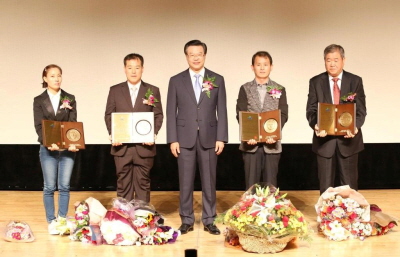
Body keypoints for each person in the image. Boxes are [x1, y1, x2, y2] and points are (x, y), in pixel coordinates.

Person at [166, 40, 228, 235]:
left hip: (210, 137)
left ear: (204, 55)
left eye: (199, 53)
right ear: (186, 56)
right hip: (184, 138)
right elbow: (170, 111)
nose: (195, 57)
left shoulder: (217, 79)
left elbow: (222, 110)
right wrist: (172, 139)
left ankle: (210, 219)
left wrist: (221, 137)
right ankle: (186, 220)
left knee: (209, 181)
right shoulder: (176, 80)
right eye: (191, 54)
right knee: (185, 181)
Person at [306, 44, 367, 194]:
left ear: (343, 60)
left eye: (335, 60)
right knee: (325, 187)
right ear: (324, 61)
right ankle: (326, 215)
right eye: (328, 60)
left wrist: (355, 126)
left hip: (349, 141)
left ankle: (351, 215)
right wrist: (316, 126)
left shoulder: (355, 81)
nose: (332, 64)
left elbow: (360, 110)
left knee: (350, 186)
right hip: (324, 142)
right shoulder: (315, 82)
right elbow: (311, 110)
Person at [105, 53, 163, 203]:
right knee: (123, 185)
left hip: (144, 147)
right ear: (124, 69)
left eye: (137, 67)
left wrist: (152, 135)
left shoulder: (152, 90)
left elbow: (158, 115)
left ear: (142, 69)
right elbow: (109, 115)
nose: (133, 71)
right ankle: (125, 220)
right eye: (130, 67)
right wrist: (114, 135)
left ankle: (143, 219)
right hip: (121, 147)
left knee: (143, 184)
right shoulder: (115, 90)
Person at [33, 64, 79, 234]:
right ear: (45, 79)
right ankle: (51, 221)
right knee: (49, 187)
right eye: (52, 76)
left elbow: (73, 124)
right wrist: (48, 143)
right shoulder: (39, 100)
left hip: (67, 149)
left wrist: (74, 142)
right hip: (48, 149)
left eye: (59, 75)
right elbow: (39, 126)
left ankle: (62, 219)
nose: (56, 78)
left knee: (65, 186)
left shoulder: (70, 98)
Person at [236, 51, 288, 189]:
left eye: (265, 64)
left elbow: (283, 114)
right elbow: (240, 113)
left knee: (271, 186)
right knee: (251, 186)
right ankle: (250, 210)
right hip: (250, 144)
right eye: (258, 64)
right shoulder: (245, 88)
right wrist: (248, 135)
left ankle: (270, 210)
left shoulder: (279, 88)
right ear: (252, 67)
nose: (262, 68)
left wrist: (274, 134)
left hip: (272, 144)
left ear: (271, 66)